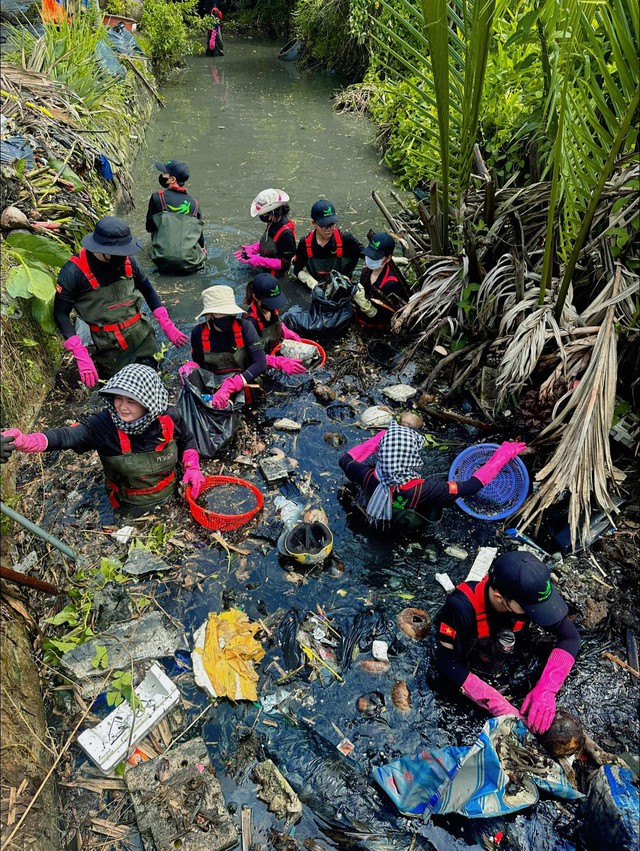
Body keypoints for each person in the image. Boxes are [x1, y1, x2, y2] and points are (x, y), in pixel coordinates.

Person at [1, 364, 205, 511]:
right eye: (118, 398)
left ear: (149, 402)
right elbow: (66, 436)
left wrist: (192, 466)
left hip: (172, 494)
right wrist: (24, 441)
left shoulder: (169, 417)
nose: (122, 408)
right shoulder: (104, 425)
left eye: (131, 401)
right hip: (129, 506)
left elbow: (188, 440)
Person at [433, 551, 581, 734]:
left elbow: (571, 637)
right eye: (529, 609)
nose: (535, 614)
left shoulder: (534, 592)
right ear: (499, 597)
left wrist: (546, 689)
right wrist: (495, 702)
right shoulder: (461, 608)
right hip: (471, 653)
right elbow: (445, 661)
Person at [54, 217, 188, 386]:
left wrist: (166, 323)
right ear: (101, 249)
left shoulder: (128, 261)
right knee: (120, 389)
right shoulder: (73, 272)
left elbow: (147, 289)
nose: (123, 256)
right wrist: (79, 352)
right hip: (109, 345)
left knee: (156, 378)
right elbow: (60, 314)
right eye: (118, 253)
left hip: (142, 335)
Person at [339, 422, 527, 529]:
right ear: (411, 457)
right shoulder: (426, 490)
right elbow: (473, 485)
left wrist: (378, 440)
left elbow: (345, 459)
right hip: (410, 530)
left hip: (376, 522)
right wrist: (502, 456)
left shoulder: (367, 476)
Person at [178, 285, 305, 410]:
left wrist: (232, 384)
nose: (227, 317)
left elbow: (260, 363)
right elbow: (200, 366)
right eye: (221, 313)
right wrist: (190, 371)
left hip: (244, 380)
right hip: (215, 387)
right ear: (210, 314)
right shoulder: (198, 333)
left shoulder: (245, 327)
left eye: (230, 313)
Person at [146, 160, 205, 274]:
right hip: (190, 263)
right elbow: (200, 239)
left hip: (162, 261)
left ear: (172, 179)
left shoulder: (158, 197)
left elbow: (150, 227)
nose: (161, 175)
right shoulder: (195, 204)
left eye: (164, 173)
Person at [293, 200, 363, 290]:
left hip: (344, 289)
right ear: (313, 223)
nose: (329, 229)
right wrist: (313, 284)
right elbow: (297, 269)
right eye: (324, 225)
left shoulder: (346, 239)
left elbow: (369, 257)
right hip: (318, 289)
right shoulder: (305, 244)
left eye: (332, 224)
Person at [234, 189, 296, 277]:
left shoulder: (286, 234)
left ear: (273, 212)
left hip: (275, 276)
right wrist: (253, 249)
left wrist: (259, 260)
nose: (262, 217)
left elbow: (285, 264)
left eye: (263, 214)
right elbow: (270, 245)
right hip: (265, 266)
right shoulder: (272, 222)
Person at [353, 232, 409, 328]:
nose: (370, 259)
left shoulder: (391, 284)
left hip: (375, 328)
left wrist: (369, 309)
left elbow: (390, 316)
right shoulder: (366, 271)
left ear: (388, 259)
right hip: (359, 319)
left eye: (375, 257)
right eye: (369, 255)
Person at [243, 273, 306, 355]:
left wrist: (285, 330)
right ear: (256, 297)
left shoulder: (273, 309)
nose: (274, 305)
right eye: (271, 302)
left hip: (275, 348)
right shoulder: (249, 322)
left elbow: (277, 324)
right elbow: (254, 356)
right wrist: (277, 362)